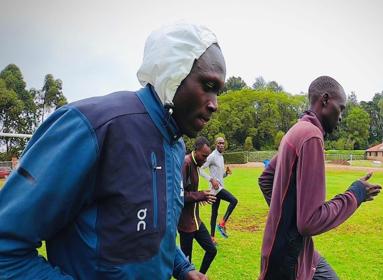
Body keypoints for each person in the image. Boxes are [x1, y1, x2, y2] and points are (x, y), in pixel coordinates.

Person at [0, 22, 226, 280]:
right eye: (208, 85)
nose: (214, 105)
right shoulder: (92, 127)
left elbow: (152, 233)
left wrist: (183, 269)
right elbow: (5, 250)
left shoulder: (176, 146)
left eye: (218, 92)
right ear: (172, 74)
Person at [258, 76, 382, 280]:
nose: (341, 116)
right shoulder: (311, 136)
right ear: (325, 100)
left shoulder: (296, 131)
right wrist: (356, 193)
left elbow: (265, 179)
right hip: (287, 262)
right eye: (340, 108)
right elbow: (309, 222)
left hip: (288, 250)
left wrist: (286, 222)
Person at [178, 137, 218, 275]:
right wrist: (200, 195)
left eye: (207, 156)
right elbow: (179, 195)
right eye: (204, 156)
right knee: (186, 262)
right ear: (195, 151)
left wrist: (199, 197)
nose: (205, 159)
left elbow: (190, 192)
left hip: (196, 221)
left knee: (212, 250)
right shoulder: (186, 164)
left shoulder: (196, 165)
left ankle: (200, 276)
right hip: (185, 224)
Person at [200, 137, 238, 242]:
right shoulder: (212, 156)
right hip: (216, 189)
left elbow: (220, 176)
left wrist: (226, 173)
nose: (221, 145)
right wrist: (211, 180)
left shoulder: (221, 157)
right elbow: (200, 169)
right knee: (234, 200)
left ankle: (212, 238)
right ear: (216, 144)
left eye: (223, 143)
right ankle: (222, 224)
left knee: (214, 213)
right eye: (219, 143)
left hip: (218, 188)